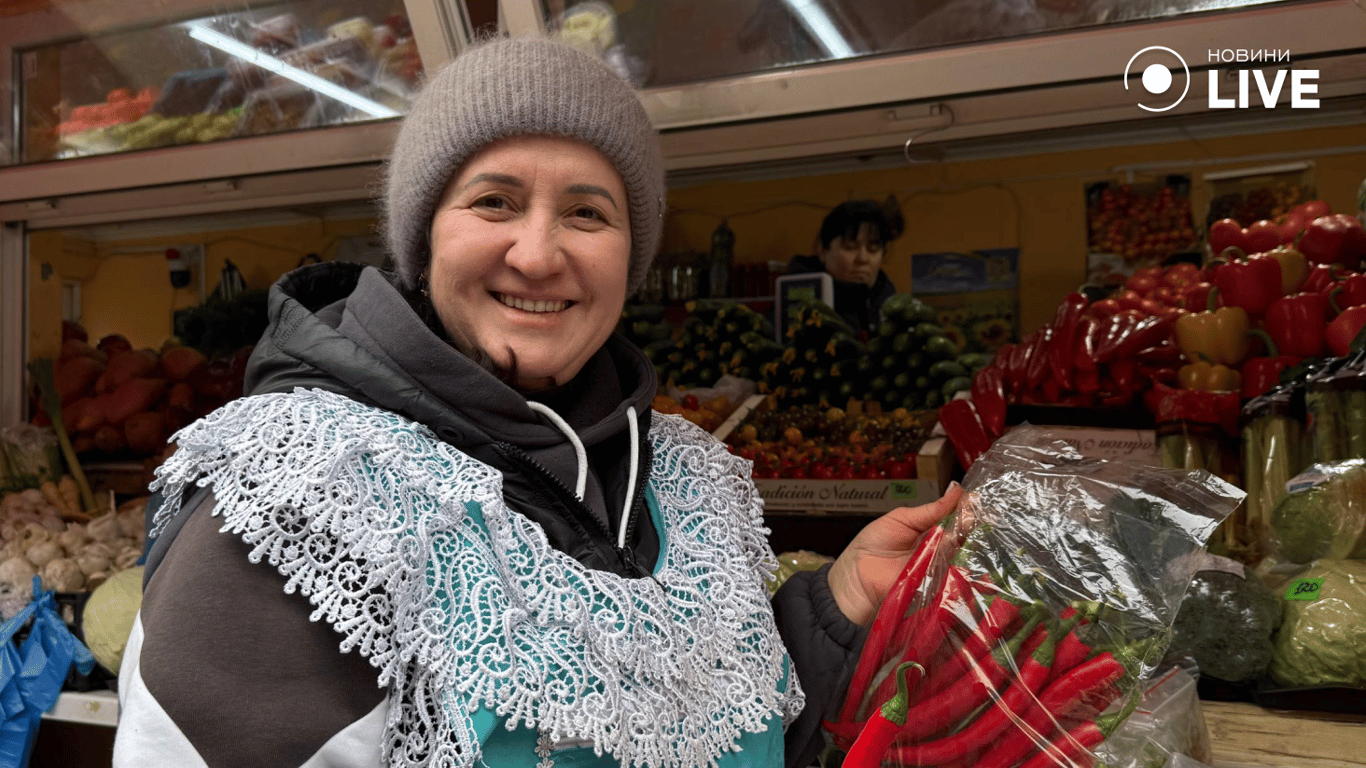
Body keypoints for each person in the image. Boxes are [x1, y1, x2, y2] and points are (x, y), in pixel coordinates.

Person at [112, 37, 962, 768]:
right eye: (495, 201)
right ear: (423, 236)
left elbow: (729, 735)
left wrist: (837, 600)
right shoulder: (297, 495)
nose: (540, 253)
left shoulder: (690, 477)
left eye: (588, 213)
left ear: (629, 256)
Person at [787, 198, 905, 335]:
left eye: (873, 248)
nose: (863, 258)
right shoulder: (794, 300)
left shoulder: (896, 308)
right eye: (850, 247)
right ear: (822, 250)